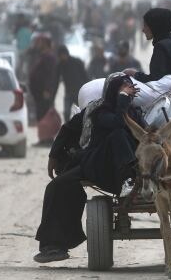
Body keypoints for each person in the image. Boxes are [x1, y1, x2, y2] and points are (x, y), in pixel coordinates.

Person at [34, 74, 142, 263]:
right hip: (97, 167)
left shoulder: (136, 112)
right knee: (56, 187)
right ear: (112, 91)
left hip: (128, 173)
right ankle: (53, 246)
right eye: (123, 87)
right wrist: (53, 156)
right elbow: (70, 128)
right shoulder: (98, 111)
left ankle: (128, 180)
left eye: (129, 87)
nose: (128, 90)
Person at [126, 8, 171, 82]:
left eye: (145, 26)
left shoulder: (161, 47)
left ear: (155, 27)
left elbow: (156, 81)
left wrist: (134, 74)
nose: (143, 30)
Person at [28, 34, 58, 123]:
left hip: (44, 93)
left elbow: (50, 75)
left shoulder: (49, 57)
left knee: (44, 116)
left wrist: (47, 90)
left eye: (40, 42)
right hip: (38, 92)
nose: (38, 44)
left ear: (45, 44)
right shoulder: (41, 55)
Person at [55, 45, 89, 122]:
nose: (61, 58)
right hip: (69, 93)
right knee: (66, 113)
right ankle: (68, 129)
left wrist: (87, 90)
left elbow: (85, 77)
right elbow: (56, 81)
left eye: (62, 55)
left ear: (66, 54)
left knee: (83, 112)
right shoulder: (60, 65)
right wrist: (52, 98)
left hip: (79, 92)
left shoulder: (77, 62)